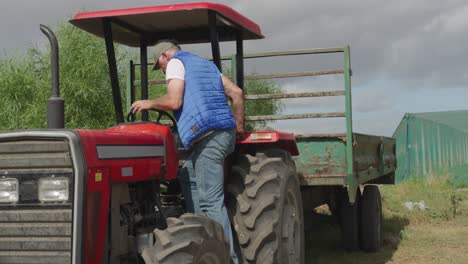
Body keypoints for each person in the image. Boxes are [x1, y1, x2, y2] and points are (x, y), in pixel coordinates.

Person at [131, 39, 243, 264]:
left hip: (209, 138)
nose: (162, 69)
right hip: (222, 134)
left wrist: (149, 103)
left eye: (159, 65)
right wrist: (238, 127)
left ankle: (227, 258)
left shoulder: (175, 62)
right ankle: (197, 236)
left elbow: (174, 100)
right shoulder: (206, 65)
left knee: (211, 200)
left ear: (164, 56)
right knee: (186, 174)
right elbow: (237, 93)